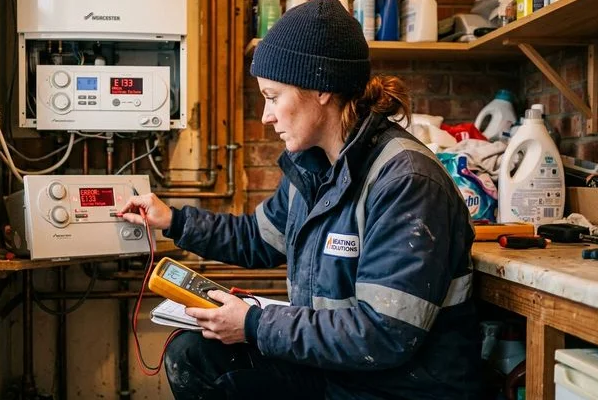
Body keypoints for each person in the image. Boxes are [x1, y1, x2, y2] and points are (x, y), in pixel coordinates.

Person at [119, 0, 481, 398]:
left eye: (273, 97)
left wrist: (255, 324)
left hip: (396, 387)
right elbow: (257, 239)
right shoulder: (313, 168)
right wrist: (174, 220)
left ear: (322, 87)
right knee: (195, 355)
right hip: (338, 370)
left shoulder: (406, 182)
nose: (265, 116)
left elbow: (383, 333)